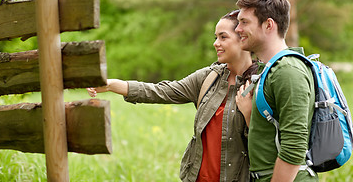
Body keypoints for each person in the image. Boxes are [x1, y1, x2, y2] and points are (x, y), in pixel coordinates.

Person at [87, 10, 258, 182]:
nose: (215, 43)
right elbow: (162, 91)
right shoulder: (209, 77)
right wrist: (112, 85)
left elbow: (271, 145)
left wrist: (250, 115)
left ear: (242, 38)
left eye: (223, 37)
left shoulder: (261, 83)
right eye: (215, 37)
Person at [234, 0, 318, 182]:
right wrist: (250, 115)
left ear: (268, 25)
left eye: (244, 22)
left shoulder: (288, 71)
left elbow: (294, 146)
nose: (238, 29)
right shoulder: (271, 69)